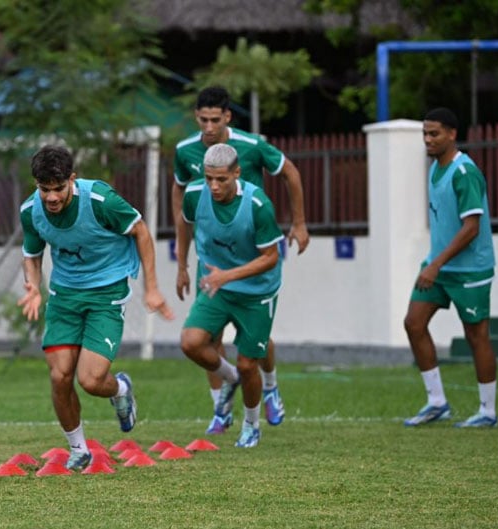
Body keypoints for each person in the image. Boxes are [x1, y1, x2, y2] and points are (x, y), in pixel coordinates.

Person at [17, 144, 174, 471]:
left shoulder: (101, 200)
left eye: (59, 189)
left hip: (107, 292)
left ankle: (121, 389)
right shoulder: (30, 211)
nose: (52, 198)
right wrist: (32, 285)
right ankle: (78, 449)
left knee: (90, 380)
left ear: (72, 180)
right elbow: (31, 255)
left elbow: (141, 231)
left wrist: (153, 287)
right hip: (65, 296)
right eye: (44, 190)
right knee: (60, 376)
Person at [173, 85, 308, 434]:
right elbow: (181, 199)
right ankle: (221, 406)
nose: (207, 126)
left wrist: (300, 223)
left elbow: (290, 171)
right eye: (201, 119)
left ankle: (271, 386)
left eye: (214, 120)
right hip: (213, 260)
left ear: (228, 117)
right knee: (207, 341)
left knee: (255, 345)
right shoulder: (186, 154)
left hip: (252, 253)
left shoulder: (250, 149)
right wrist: (183, 262)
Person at [177, 143, 284, 448]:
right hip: (216, 285)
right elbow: (185, 225)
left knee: (250, 363)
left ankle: (251, 424)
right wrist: (183, 264)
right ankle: (231, 377)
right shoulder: (195, 194)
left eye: (221, 179)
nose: (213, 185)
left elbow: (270, 257)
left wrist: (227, 275)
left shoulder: (257, 205)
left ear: (237, 173)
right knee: (191, 342)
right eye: (209, 178)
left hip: (256, 291)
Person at [403, 107, 498, 429]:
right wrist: (434, 263)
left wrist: (436, 264)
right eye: (425, 134)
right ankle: (436, 402)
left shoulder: (464, 172)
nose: (428, 140)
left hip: (469, 269)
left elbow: (471, 227)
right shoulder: (434, 167)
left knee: (476, 335)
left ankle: (487, 410)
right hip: (439, 266)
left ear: (452, 134)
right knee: (414, 323)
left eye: (435, 134)